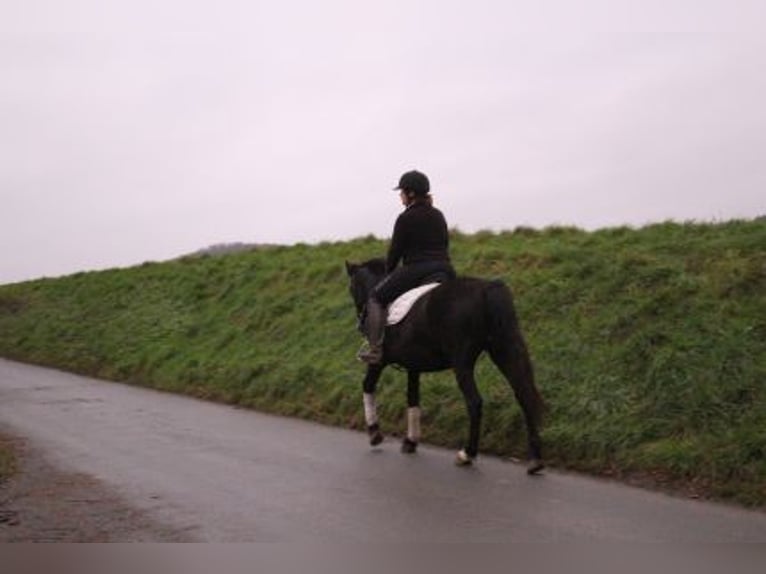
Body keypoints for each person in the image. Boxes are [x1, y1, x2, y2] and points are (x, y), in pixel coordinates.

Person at [358, 170, 456, 364]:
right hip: (445, 269)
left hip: (417, 268)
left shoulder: (405, 218)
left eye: (402, 191)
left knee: (376, 298)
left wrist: (388, 274)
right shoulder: (438, 215)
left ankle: (375, 349)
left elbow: (395, 252)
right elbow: (444, 244)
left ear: (410, 194)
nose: (400, 196)